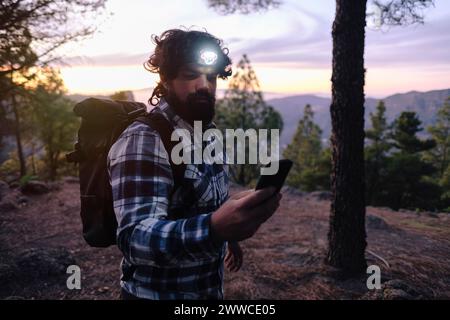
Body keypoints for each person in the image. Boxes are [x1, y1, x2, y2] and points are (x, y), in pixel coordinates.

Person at [107, 28, 282, 300]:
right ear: (166, 80)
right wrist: (214, 228)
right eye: (191, 75)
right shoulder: (145, 139)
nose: (204, 85)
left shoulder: (206, 133)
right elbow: (134, 239)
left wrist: (228, 235)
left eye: (211, 76)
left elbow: (205, 203)